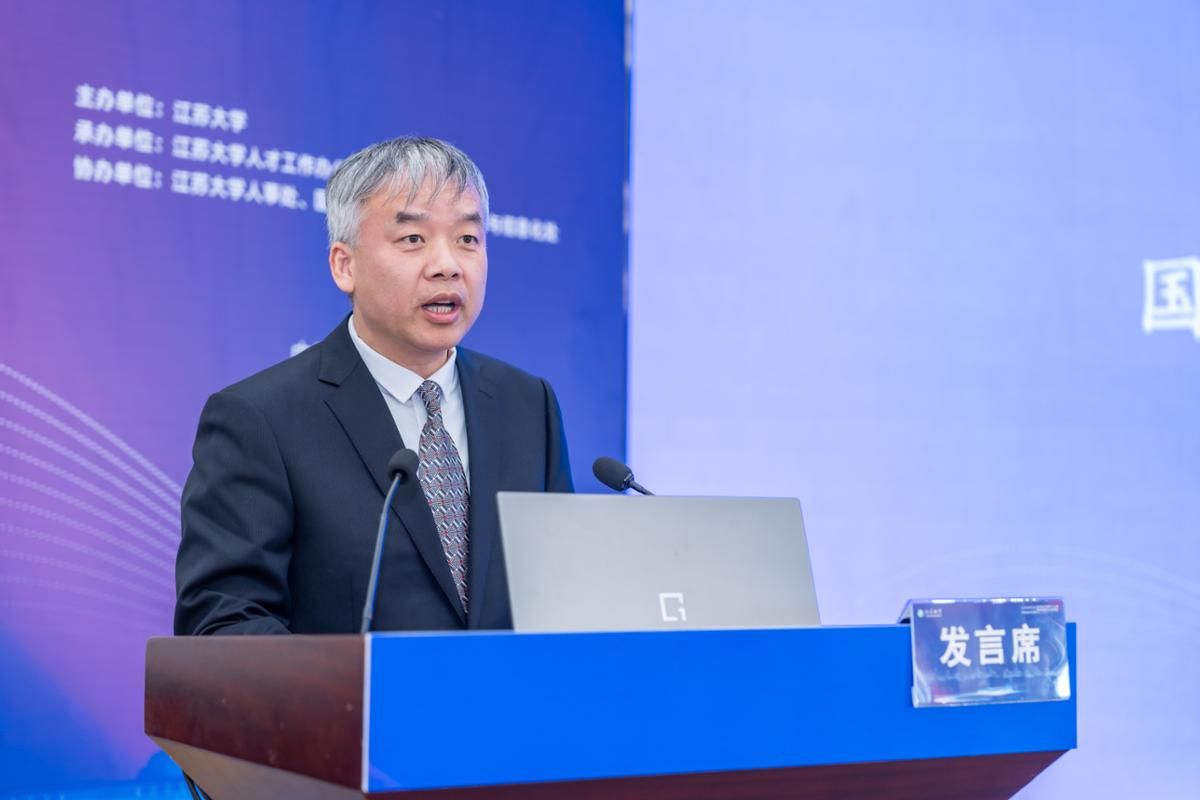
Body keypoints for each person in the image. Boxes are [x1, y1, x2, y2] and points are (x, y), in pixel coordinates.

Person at [174, 137, 574, 635]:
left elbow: (565, 597)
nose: (448, 264)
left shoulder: (527, 405)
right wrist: (363, 677)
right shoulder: (260, 420)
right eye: (413, 239)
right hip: (352, 691)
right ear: (345, 265)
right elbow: (224, 623)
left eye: (468, 239)